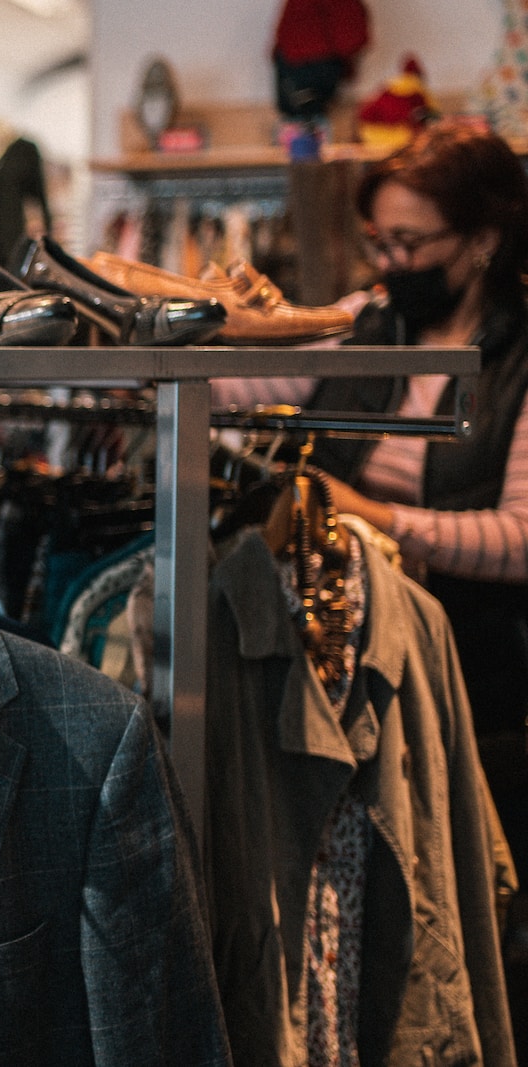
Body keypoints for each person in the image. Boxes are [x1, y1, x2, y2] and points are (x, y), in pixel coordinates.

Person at [215, 116, 528, 1002]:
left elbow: (520, 534)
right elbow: (237, 389)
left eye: (412, 241)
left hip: (480, 687)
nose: (390, 260)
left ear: (483, 240)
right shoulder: (364, 323)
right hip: (347, 672)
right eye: (378, 239)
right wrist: (220, 329)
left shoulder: (520, 358)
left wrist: (380, 517)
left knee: (466, 919)